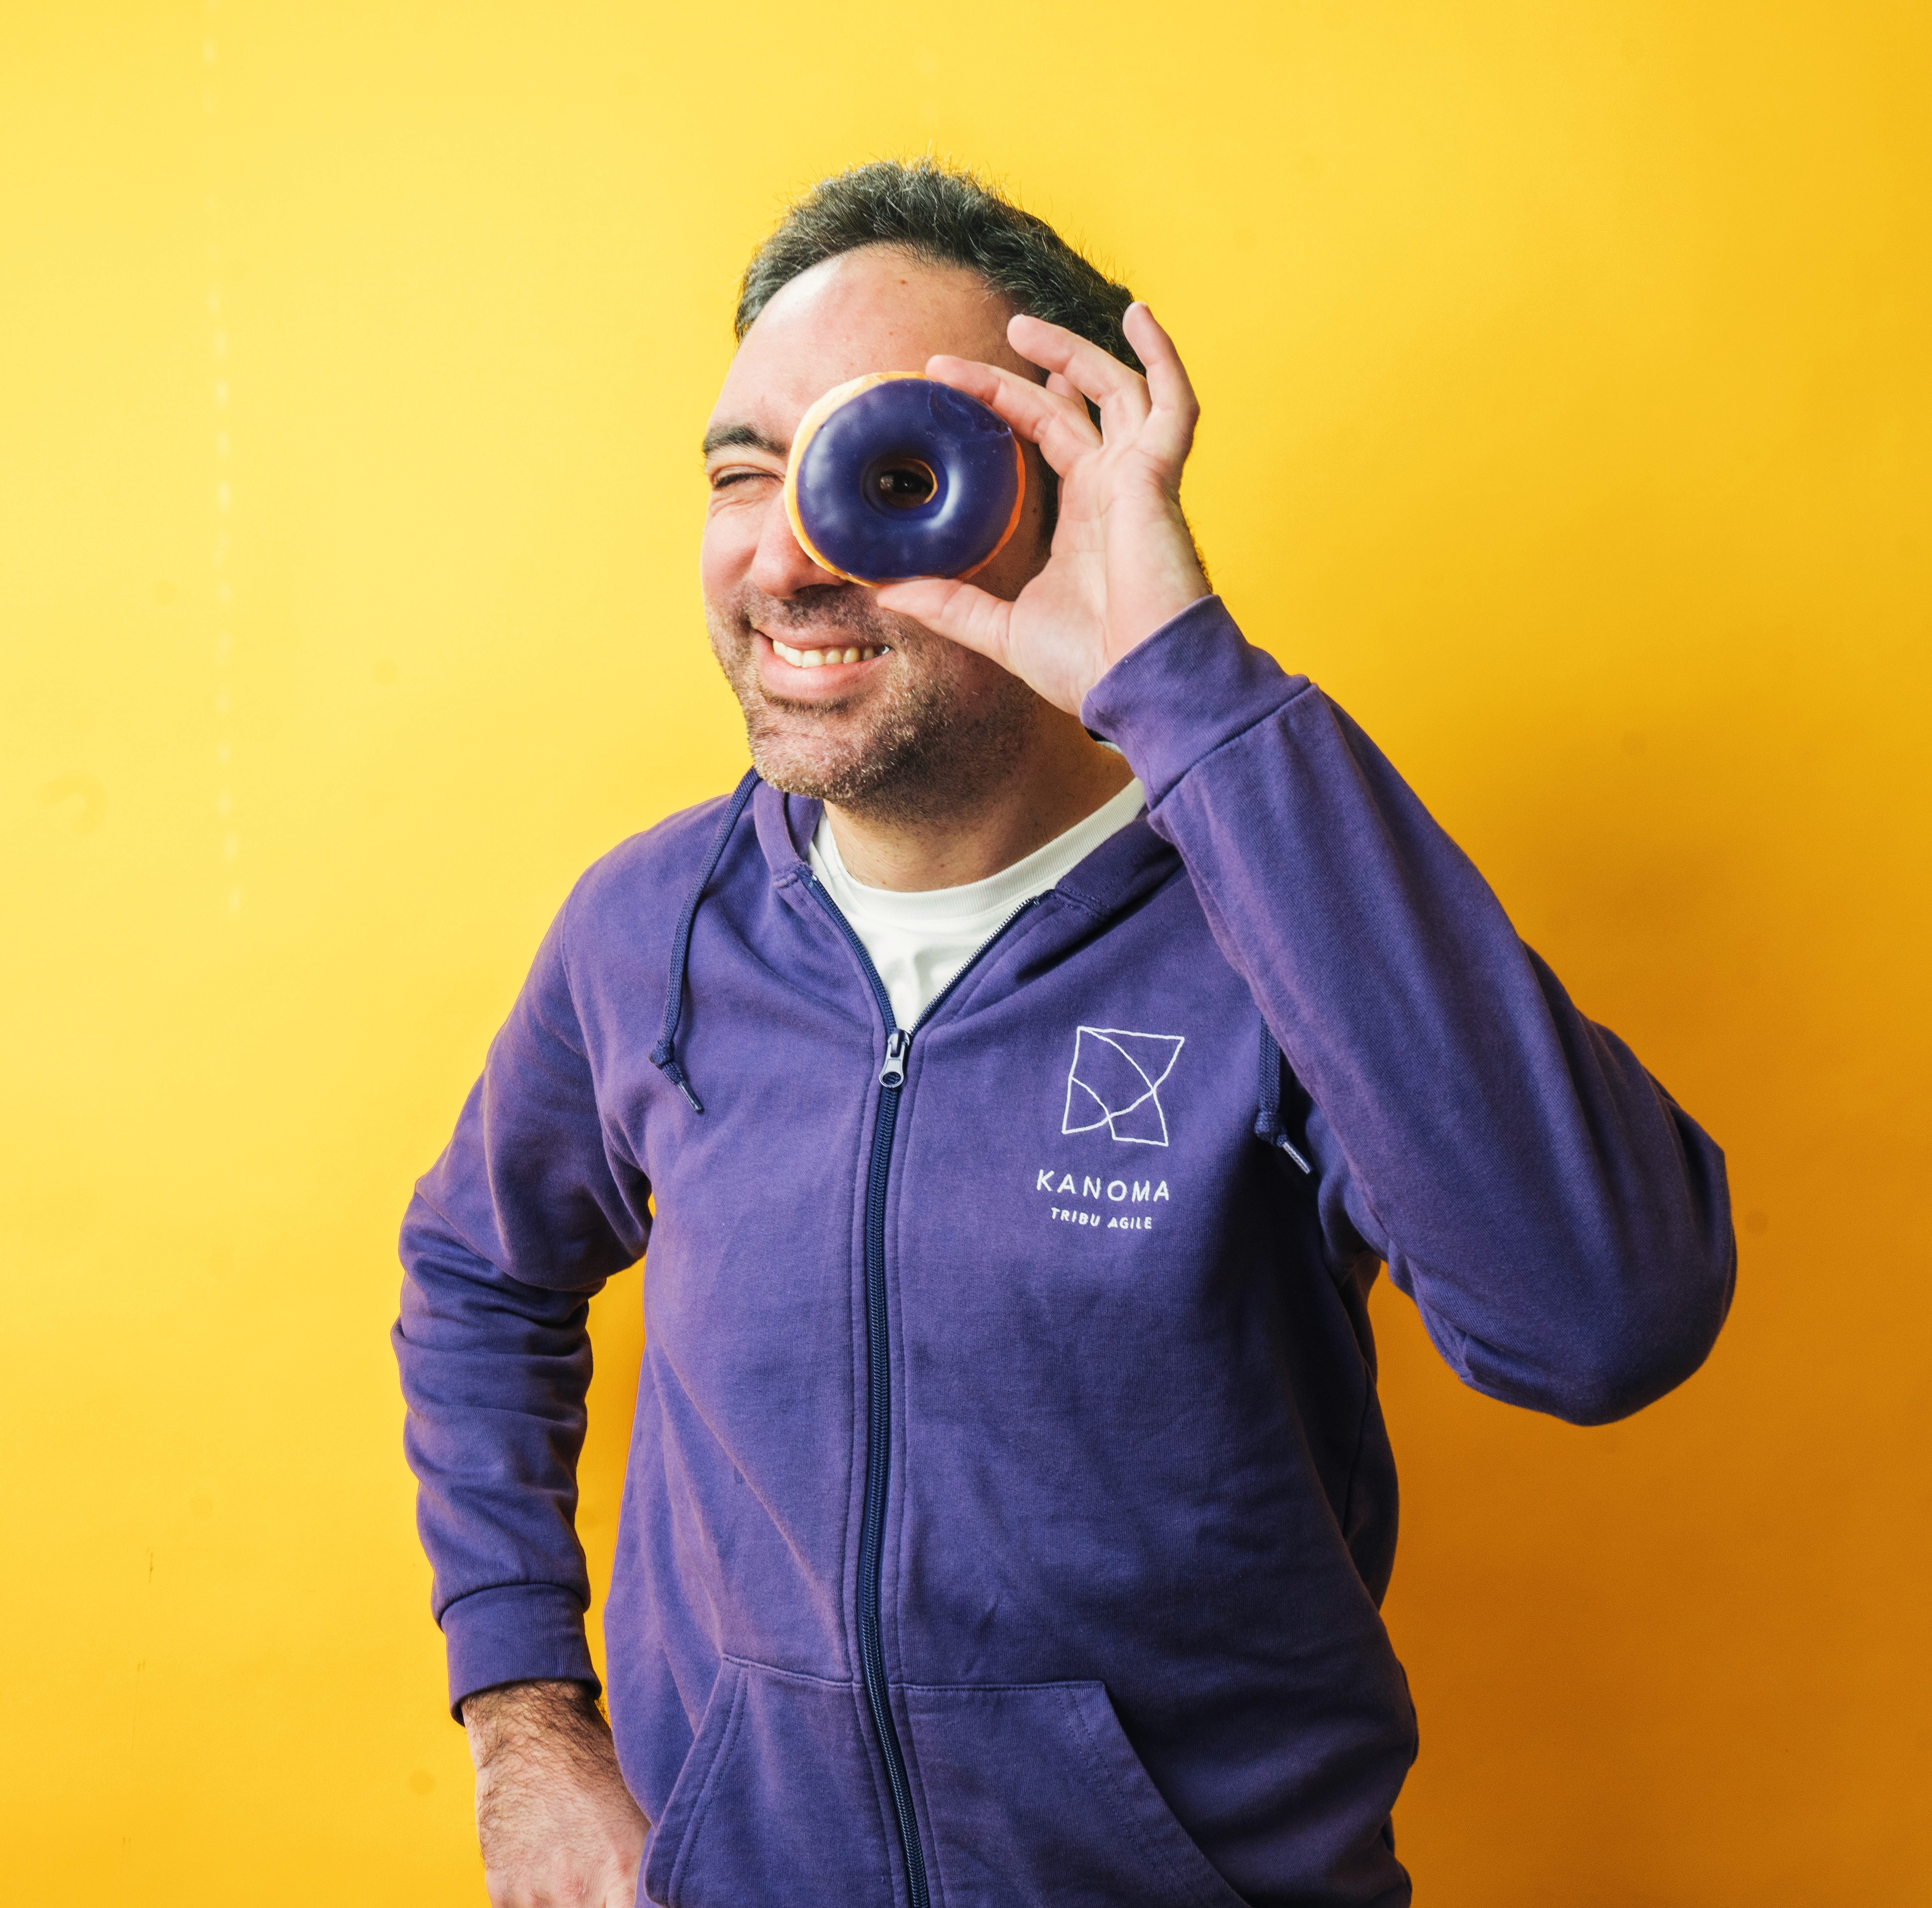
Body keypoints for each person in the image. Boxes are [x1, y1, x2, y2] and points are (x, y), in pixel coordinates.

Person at [394, 159, 1735, 1908]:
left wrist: (1183, 678)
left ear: (1065, 491)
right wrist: (526, 1723)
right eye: (743, 470)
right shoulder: (648, 928)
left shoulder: (1275, 909)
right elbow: (476, 1273)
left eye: (880, 472)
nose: (787, 551)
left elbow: (1601, 1317)